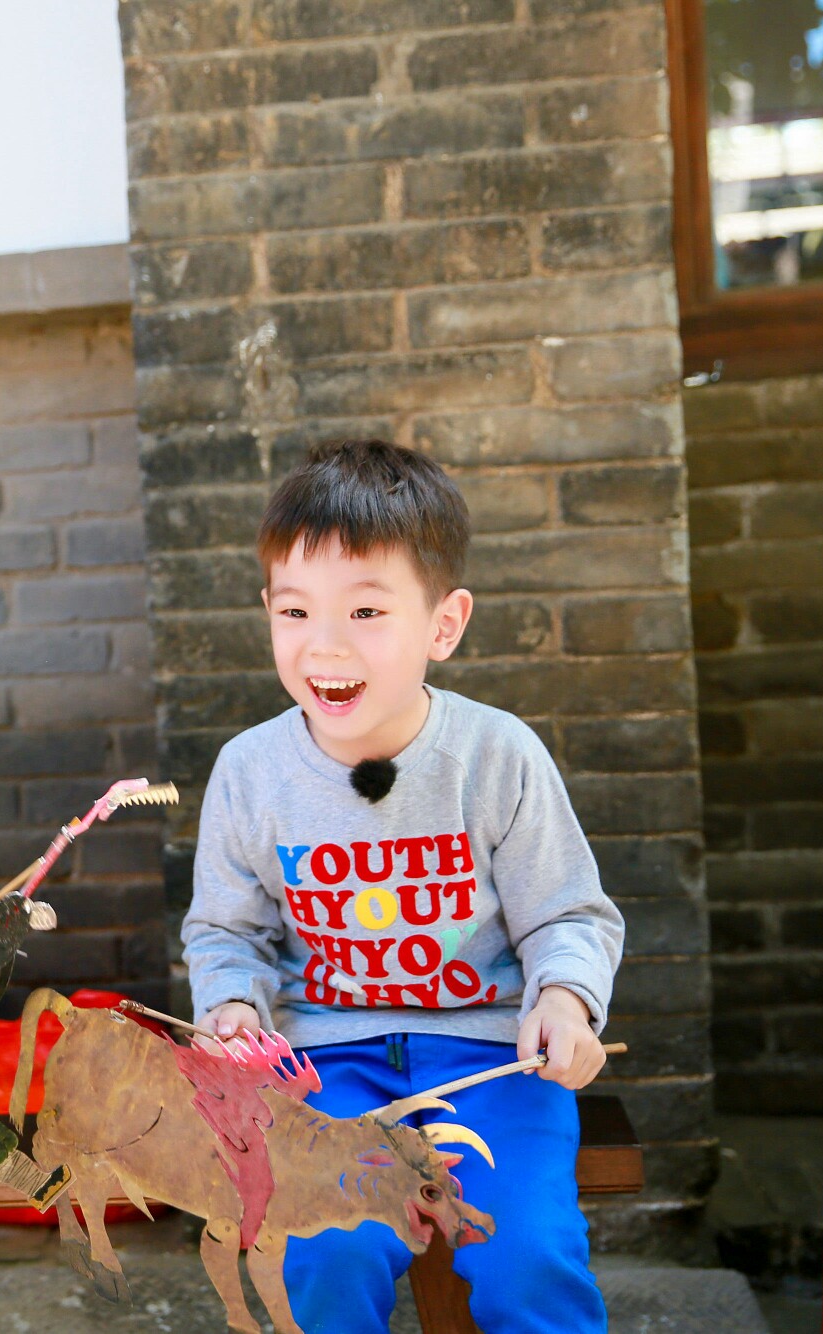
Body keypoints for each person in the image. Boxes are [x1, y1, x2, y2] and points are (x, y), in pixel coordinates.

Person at [182, 439, 625, 1334]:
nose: (325, 645)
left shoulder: (496, 756)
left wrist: (568, 1001)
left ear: (444, 625)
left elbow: (567, 913)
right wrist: (232, 1009)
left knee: (527, 1257)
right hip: (329, 1072)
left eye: (367, 611)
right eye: (296, 610)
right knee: (322, 1250)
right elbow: (227, 934)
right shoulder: (250, 773)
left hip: (496, 1062)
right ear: (267, 610)